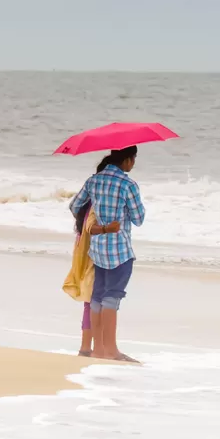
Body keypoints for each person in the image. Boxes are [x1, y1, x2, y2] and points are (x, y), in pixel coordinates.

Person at [69, 146, 145, 362]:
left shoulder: (94, 180)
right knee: (112, 297)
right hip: (119, 250)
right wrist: (123, 214)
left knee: (97, 297)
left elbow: (75, 206)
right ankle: (111, 350)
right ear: (128, 160)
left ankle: (99, 350)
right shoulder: (128, 184)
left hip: (98, 249)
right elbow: (139, 219)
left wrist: (97, 220)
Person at [62, 163, 119, 357]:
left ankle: (89, 347)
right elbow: (93, 227)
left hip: (82, 250)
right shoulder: (97, 205)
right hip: (93, 253)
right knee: (95, 299)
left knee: (91, 299)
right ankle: (91, 348)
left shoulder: (86, 203)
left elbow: (73, 206)